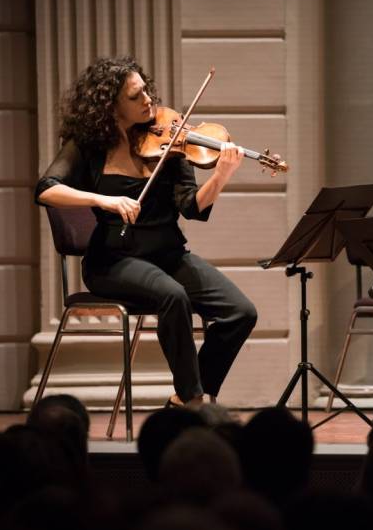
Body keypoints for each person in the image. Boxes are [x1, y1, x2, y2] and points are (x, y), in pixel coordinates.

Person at [35, 56, 257, 409]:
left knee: (240, 312)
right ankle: (194, 400)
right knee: (174, 296)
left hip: (169, 255)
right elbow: (46, 189)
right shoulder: (89, 145)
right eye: (135, 96)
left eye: (146, 91)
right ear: (111, 106)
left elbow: (191, 208)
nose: (148, 100)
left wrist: (220, 176)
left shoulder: (172, 139)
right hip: (113, 260)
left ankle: (184, 399)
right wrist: (103, 200)